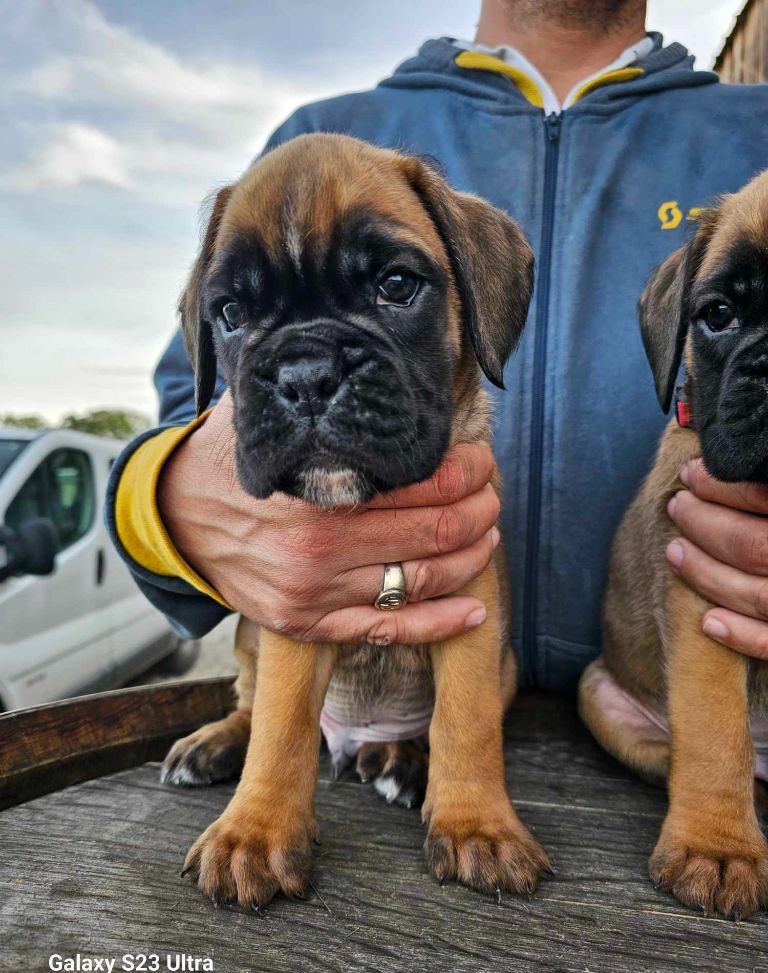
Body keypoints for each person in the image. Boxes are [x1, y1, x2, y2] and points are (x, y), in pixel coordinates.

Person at [106, 0, 768, 692]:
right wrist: (172, 504)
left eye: (394, 284)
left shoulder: (753, 131)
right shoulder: (321, 137)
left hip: (663, 719)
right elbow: (194, 397)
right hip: (385, 732)